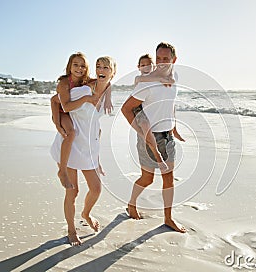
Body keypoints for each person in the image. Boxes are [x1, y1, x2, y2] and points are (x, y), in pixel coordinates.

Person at [50, 56, 116, 245]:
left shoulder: (106, 93)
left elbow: (97, 127)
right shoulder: (83, 90)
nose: (101, 69)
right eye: (98, 67)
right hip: (69, 145)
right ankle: (71, 230)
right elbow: (57, 101)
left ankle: (86, 214)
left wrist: (97, 157)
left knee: (96, 189)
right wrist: (56, 122)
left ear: (113, 72)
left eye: (106, 67)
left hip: (87, 148)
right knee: (73, 191)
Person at [121, 42, 186, 233]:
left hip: (167, 135)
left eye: (166, 59)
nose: (162, 62)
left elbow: (171, 102)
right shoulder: (147, 82)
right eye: (159, 59)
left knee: (169, 180)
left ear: (174, 60)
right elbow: (126, 109)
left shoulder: (176, 77)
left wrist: (174, 126)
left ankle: (168, 218)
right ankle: (131, 204)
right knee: (147, 179)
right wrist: (141, 133)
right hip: (149, 136)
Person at [50, 53, 112, 189]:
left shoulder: (86, 81)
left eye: (83, 66)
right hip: (62, 112)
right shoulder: (65, 83)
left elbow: (107, 82)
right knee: (71, 133)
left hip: (71, 111)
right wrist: (56, 123)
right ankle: (62, 170)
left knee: (97, 131)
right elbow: (62, 105)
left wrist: (108, 98)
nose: (79, 68)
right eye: (76, 65)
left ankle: (96, 161)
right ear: (69, 66)